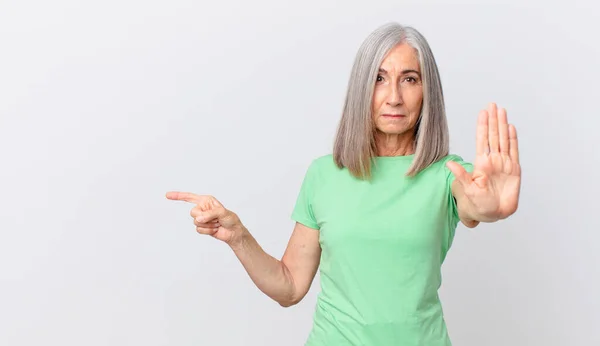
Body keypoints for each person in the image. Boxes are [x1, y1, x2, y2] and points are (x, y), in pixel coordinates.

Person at [166, 22, 521, 346]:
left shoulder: (449, 175)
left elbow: (476, 204)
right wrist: (238, 236)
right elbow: (289, 287)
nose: (394, 96)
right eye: (379, 78)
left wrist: (491, 208)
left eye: (409, 78)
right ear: (361, 87)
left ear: (428, 91)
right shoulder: (324, 175)